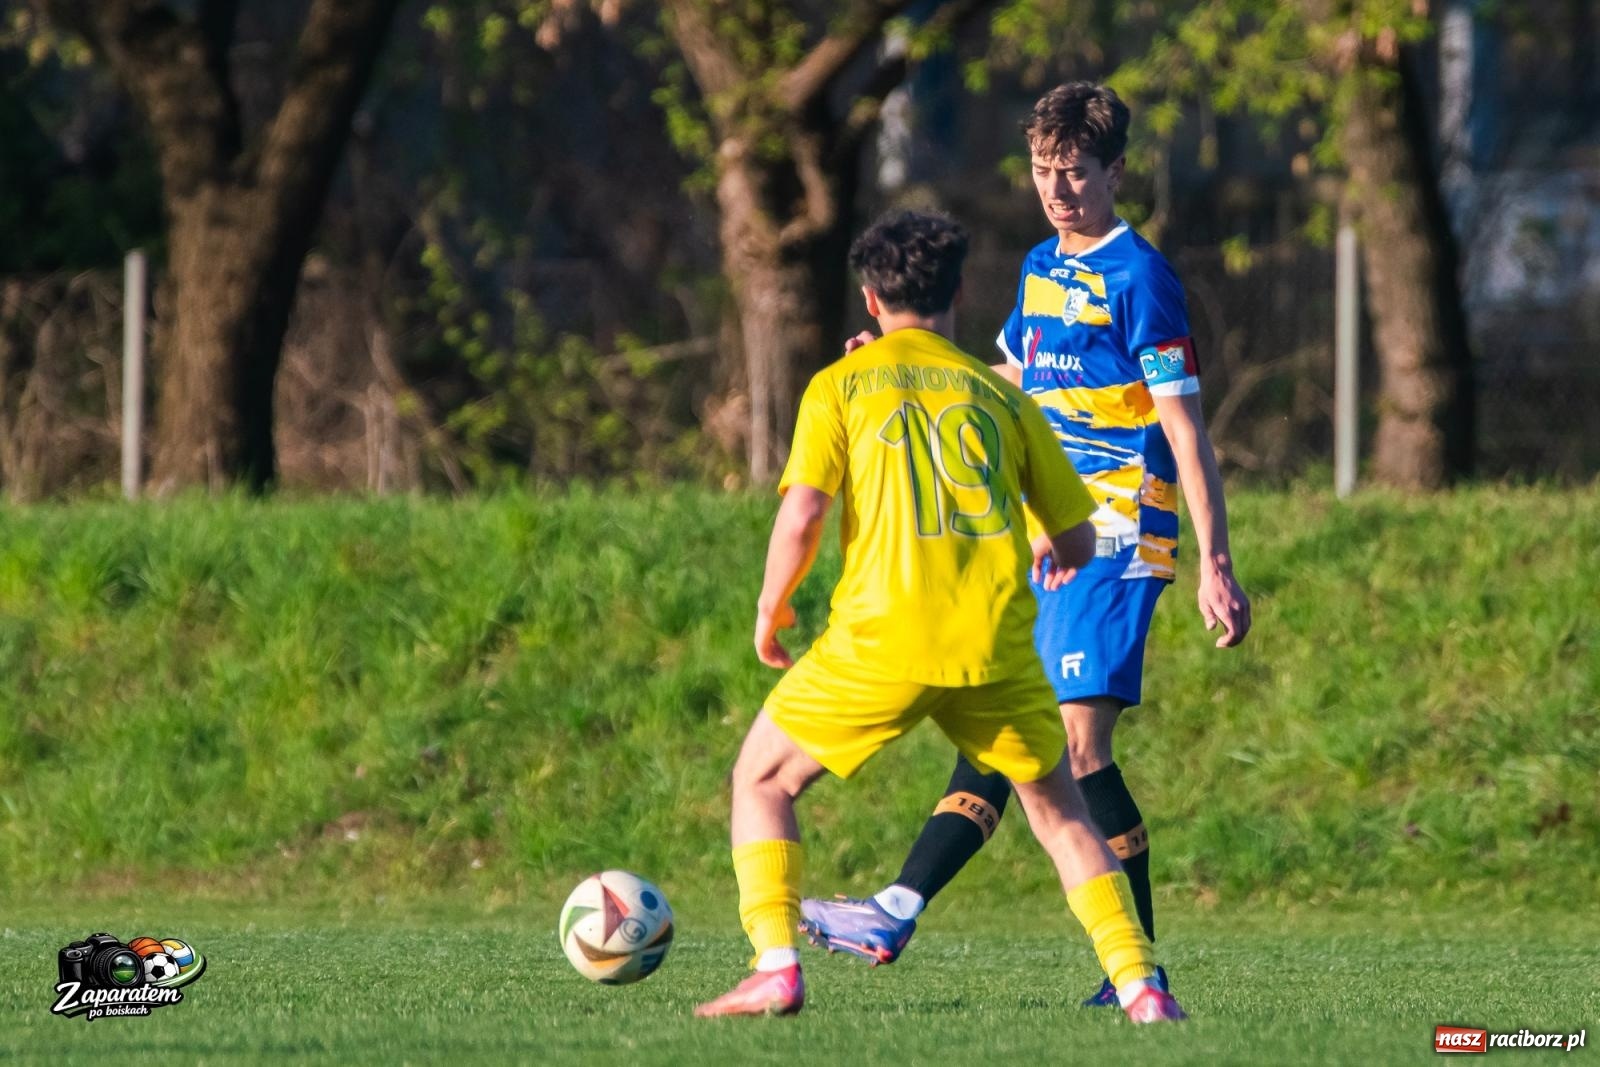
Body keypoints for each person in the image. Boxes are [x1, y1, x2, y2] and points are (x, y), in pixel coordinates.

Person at [799, 82, 1252, 1007]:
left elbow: (1186, 429)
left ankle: (1138, 968)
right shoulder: (1044, 265)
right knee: (1010, 740)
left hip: (1123, 531)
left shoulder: (1143, 279)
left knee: (1077, 752)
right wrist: (891, 354)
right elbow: (1012, 372)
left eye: (1076, 174)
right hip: (1050, 534)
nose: (1058, 191)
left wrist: (1215, 559)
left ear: (1115, 171)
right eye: (1045, 173)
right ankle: (896, 906)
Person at [693, 210, 1186, 1023]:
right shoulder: (1001, 396)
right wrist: (1058, 550)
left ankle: (777, 966)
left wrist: (770, 609)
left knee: (762, 778)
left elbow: (804, 514)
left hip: (882, 636)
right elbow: (1075, 532)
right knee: (1059, 813)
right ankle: (1140, 987)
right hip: (994, 640)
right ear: (958, 290)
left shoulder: (840, 384)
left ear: (868, 298)